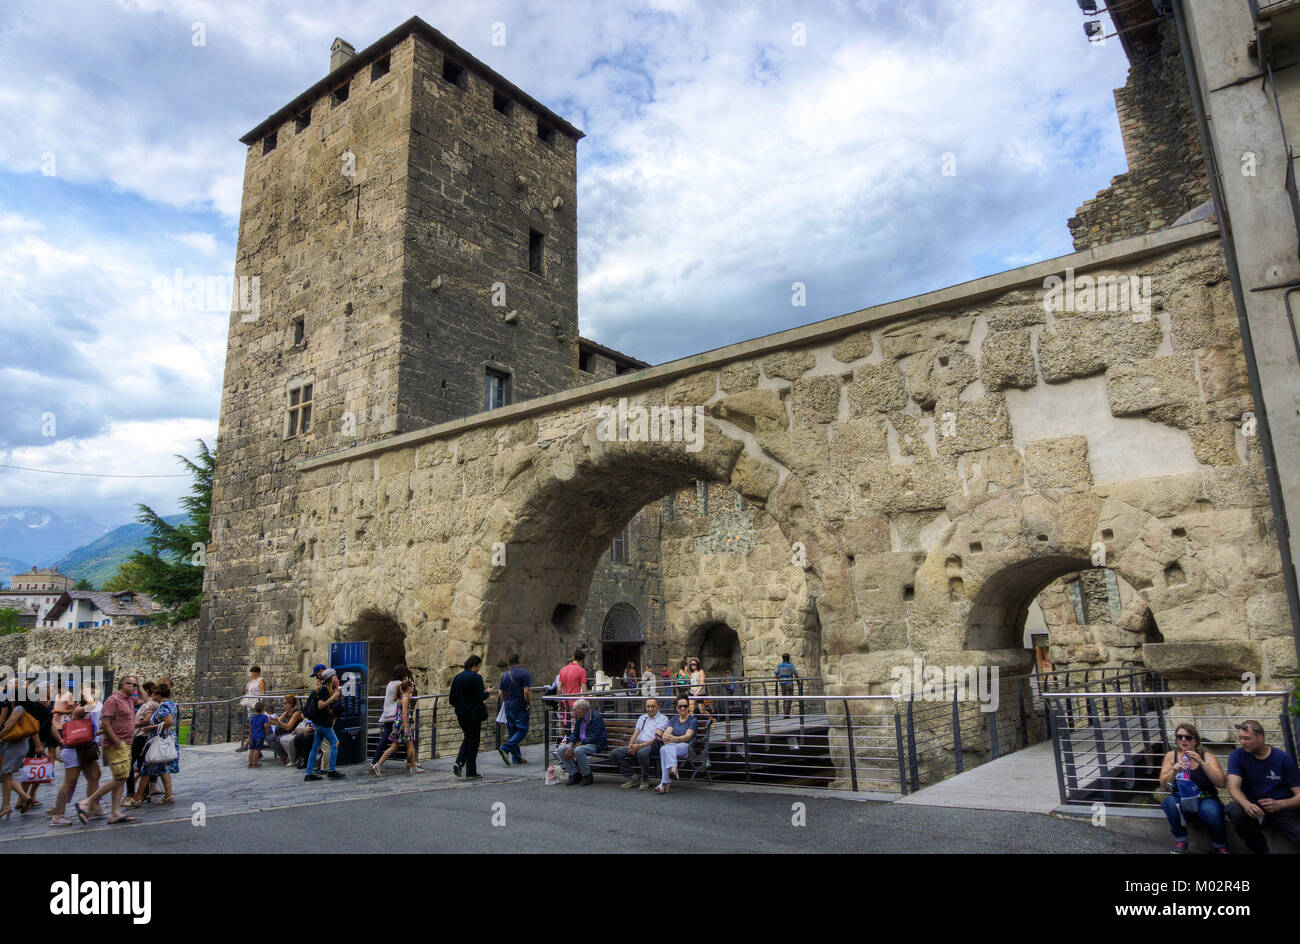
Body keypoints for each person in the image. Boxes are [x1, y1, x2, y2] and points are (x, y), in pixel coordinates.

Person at [1225, 719, 1300, 854]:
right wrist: (1247, 804)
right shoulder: (1237, 756)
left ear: (1261, 738)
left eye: (1247, 738)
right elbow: (1233, 788)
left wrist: (1281, 804)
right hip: (1255, 806)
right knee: (1234, 810)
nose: (1242, 742)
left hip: (1283, 807)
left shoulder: (1283, 759)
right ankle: (1260, 850)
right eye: (1240, 738)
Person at [76, 674, 140, 825]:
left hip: (126, 742)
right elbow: (105, 723)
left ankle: (115, 813)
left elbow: (145, 699)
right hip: (116, 744)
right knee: (120, 778)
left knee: (122, 778)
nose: (136, 688)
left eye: (136, 685)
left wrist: (139, 684)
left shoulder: (129, 699)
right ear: (124, 685)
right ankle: (87, 803)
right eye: (133, 685)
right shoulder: (113, 700)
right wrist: (116, 742)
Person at [1158, 723, 1228, 853]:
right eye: (1179, 737)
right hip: (1181, 798)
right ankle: (1180, 841)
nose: (1183, 740)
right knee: (1170, 803)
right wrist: (1173, 772)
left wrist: (1202, 763)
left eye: (1188, 737)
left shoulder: (1207, 757)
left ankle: (1220, 845)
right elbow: (1163, 786)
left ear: (1195, 740)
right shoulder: (1171, 756)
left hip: (1205, 796)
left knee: (1210, 811)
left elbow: (1222, 783)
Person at [46, 691, 100, 826]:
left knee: (95, 775)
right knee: (69, 782)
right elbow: (94, 707)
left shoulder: (84, 711)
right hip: (74, 750)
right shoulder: (79, 710)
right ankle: (58, 815)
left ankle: (92, 806)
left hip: (84, 749)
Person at [449, 654, 493, 779]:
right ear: (474, 665)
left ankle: (459, 762)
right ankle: (470, 771)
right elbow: (480, 697)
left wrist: (460, 706)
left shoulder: (457, 677)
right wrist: (488, 693)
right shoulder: (476, 678)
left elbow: (451, 699)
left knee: (468, 737)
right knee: (473, 741)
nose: (479, 669)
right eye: (479, 666)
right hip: (473, 714)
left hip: (461, 713)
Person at [610, 697, 669, 789]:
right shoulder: (642, 717)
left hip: (652, 746)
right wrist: (631, 746)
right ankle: (633, 777)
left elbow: (657, 738)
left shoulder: (663, 719)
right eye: (648, 706)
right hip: (638, 744)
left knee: (642, 753)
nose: (650, 709)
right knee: (615, 753)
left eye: (653, 706)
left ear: (658, 706)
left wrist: (640, 746)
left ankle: (644, 779)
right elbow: (635, 734)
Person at [370, 679, 424, 776]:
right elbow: (404, 713)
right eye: (412, 686)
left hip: (398, 723)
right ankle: (412, 767)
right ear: (408, 688)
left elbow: (407, 698)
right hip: (402, 725)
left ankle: (378, 765)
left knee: (395, 746)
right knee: (409, 745)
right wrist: (406, 727)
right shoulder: (405, 699)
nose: (414, 687)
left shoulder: (403, 696)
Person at [137, 682, 179, 804]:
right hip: (166, 740)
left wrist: (152, 727)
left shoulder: (163, 706)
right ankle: (168, 795)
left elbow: (169, 722)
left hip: (159, 740)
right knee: (163, 768)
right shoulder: (171, 704)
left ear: (158, 694)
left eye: (153, 694)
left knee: (147, 767)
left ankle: (137, 797)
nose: (151, 696)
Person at [552, 699, 606, 786]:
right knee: (561, 749)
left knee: (578, 750)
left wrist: (576, 746)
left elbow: (594, 737)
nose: (573, 712)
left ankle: (587, 775)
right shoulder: (579, 718)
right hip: (580, 743)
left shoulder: (596, 717)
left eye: (575, 710)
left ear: (583, 709)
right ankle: (574, 774)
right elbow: (574, 734)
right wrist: (570, 745)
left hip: (596, 744)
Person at [304, 669, 344, 781]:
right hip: (323, 722)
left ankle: (309, 772)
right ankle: (331, 770)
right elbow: (320, 705)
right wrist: (334, 696)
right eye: (335, 676)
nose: (337, 678)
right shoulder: (325, 689)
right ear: (331, 677)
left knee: (315, 747)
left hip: (320, 722)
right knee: (335, 743)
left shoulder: (326, 689)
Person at [654, 696, 698, 794]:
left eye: (685, 706)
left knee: (668, 747)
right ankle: (669, 776)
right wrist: (666, 736)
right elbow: (667, 732)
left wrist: (675, 739)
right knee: (663, 749)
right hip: (673, 747)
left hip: (687, 747)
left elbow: (688, 736)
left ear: (688, 707)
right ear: (677, 708)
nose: (683, 708)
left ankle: (664, 783)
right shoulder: (674, 719)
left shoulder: (692, 720)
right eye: (680, 706)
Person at [497, 653, 533, 767]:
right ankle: (505, 748)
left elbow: (500, 693)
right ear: (519, 661)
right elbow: (526, 691)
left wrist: (505, 703)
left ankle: (516, 757)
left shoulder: (504, 675)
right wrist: (528, 703)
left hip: (508, 705)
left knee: (512, 731)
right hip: (519, 705)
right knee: (523, 729)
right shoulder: (524, 673)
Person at [371, 664, 410, 769]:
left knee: (384, 740)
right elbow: (406, 694)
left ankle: (374, 761)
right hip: (395, 716)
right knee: (405, 741)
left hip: (387, 714)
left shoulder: (390, 684)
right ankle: (411, 762)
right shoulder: (399, 684)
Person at [125, 682, 158, 800]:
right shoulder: (148, 703)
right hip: (139, 735)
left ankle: (132, 793)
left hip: (140, 736)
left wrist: (129, 725)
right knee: (140, 764)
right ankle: (144, 792)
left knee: (132, 764)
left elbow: (146, 720)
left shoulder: (149, 704)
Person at [237, 665, 266, 753]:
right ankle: (254, 749)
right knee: (252, 726)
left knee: (255, 727)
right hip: (250, 704)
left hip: (256, 704)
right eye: (251, 673)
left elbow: (262, 693)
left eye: (253, 673)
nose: (252, 675)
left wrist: (261, 705)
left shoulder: (260, 681)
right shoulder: (251, 681)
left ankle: (247, 745)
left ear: (257, 673)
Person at [269, 694, 304, 766]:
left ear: (291, 704)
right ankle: (283, 755)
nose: (283, 705)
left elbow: (288, 727)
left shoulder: (296, 713)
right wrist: (270, 720)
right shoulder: (286, 712)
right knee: (270, 737)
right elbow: (278, 721)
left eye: (285, 703)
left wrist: (278, 722)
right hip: (284, 731)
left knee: (278, 739)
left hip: (293, 732)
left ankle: (287, 756)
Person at [556, 649, 587, 729]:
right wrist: (587, 703)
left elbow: (559, 689)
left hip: (565, 704)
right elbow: (584, 690)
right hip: (576, 704)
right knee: (574, 728)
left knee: (565, 728)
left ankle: (564, 740)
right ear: (582, 660)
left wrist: (559, 704)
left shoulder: (563, 670)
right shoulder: (582, 671)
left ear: (574, 658)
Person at [247, 701, 269, 769]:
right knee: (257, 749)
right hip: (260, 735)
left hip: (253, 735)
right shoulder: (264, 717)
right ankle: (255, 763)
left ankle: (250, 763)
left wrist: (250, 734)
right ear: (263, 709)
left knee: (251, 750)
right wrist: (266, 731)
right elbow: (266, 725)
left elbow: (250, 726)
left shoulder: (253, 717)